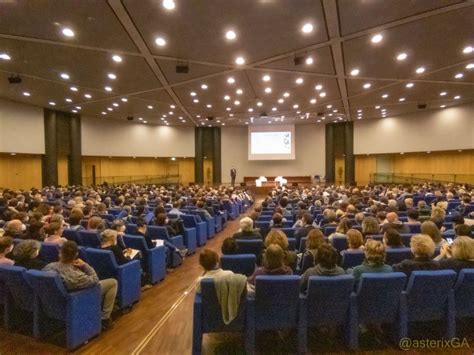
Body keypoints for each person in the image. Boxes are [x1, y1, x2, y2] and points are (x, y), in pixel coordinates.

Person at [43, 241, 118, 330]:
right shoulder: (76, 276)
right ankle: (105, 318)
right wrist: (85, 266)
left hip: (53, 303)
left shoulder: (48, 267)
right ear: (76, 254)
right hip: (78, 298)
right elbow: (95, 280)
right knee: (113, 282)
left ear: (60, 252)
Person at [196, 249, 247, 324]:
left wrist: (204, 273)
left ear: (202, 265)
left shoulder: (200, 281)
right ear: (217, 262)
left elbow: (199, 292)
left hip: (212, 315)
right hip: (229, 309)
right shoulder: (229, 274)